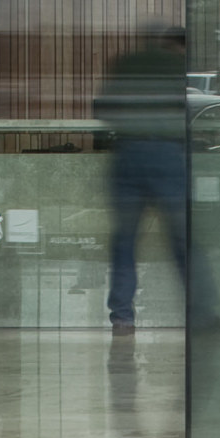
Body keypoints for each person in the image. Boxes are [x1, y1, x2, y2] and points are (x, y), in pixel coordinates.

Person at [94, 23, 192, 342]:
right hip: (167, 155)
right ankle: (201, 312)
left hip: (128, 155)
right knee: (182, 240)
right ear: (177, 44)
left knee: (125, 241)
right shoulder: (180, 66)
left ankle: (122, 317)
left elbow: (103, 108)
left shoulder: (126, 63)